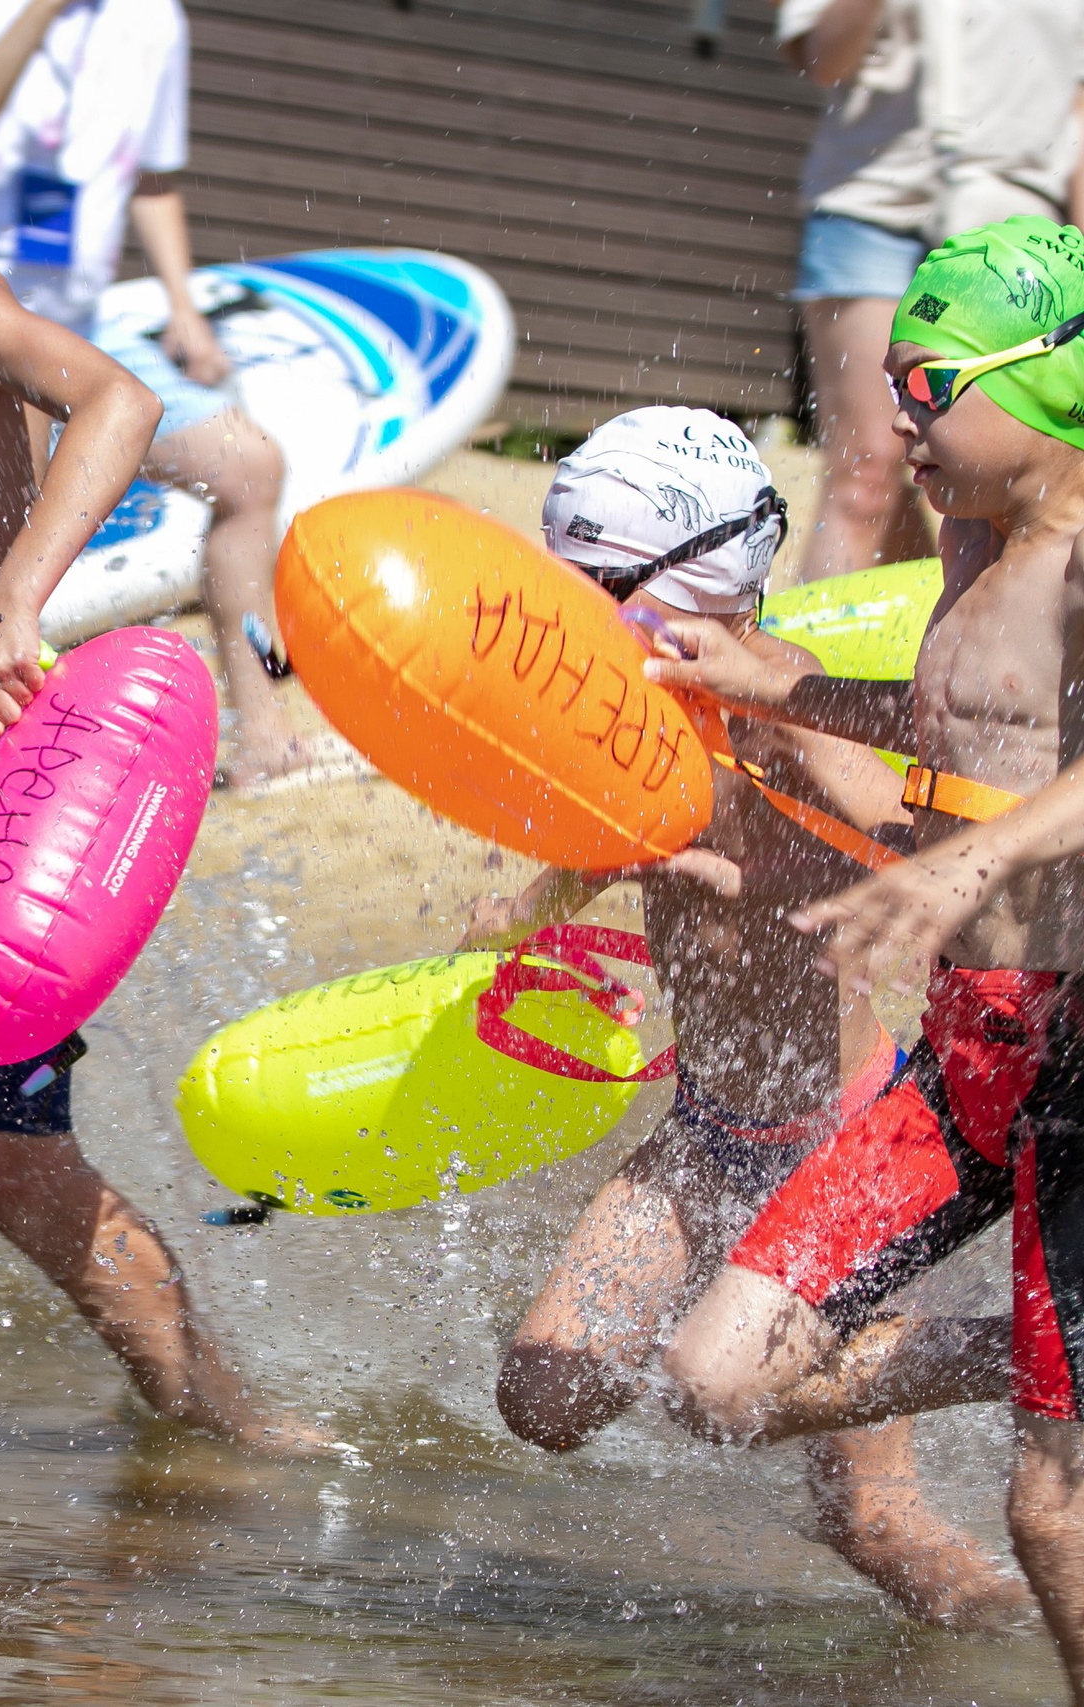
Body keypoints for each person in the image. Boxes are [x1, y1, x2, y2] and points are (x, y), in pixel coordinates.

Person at [466, 406, 1023, 1627]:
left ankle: (1008, 1596)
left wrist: (702, 868)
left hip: (838, 1135)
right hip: (712, 1127)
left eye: (589, 585)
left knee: (872, 1522)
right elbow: (610, 833)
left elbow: (901, 861)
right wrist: (526, 902)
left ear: (690, 582)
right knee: (544, 1399)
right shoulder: (627, 714)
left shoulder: (784, 714)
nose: (565, 614)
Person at [643, 217, 1084, 1692]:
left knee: (1050, 1513)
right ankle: (1029, 1347)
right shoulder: (974, 539)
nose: (900, 412)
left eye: (933, 378)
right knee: (718, 1377)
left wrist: (975, 851)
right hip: (970, 1044)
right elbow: (979, 726)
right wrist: (788, 682)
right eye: (895, 378)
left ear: (1051, 383)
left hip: (1077, 1048)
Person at [0, 0, 294, 788]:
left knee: (250, 467)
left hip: (85, 329)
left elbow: (151, 178)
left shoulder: (154, 19)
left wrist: (183, 307)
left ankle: (263, 729)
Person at [780, 0, 1084, 582]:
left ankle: (931, 648)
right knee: (866, 476)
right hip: (872, 204)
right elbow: (821, 59)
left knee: (997, 500)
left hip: (1012, 229)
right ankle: (805, 669)